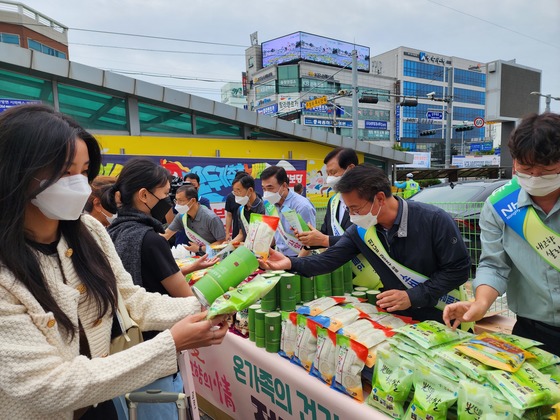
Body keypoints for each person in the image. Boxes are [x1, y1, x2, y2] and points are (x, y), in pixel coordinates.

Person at [0, 104, 228, 420]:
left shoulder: (89, 231)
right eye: (65, 171)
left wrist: (207, 309)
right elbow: (45, 386)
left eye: (83, 171)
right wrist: (170, 343)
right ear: (15, 171)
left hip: (101, 404)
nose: (79, 184)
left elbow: (129, 301)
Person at [261, 164, 470, 323]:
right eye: (348, 209)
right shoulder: (361, 230)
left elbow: (458, 270)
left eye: (355, 208)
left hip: (443, 314)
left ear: (380, 198)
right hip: (397, 317)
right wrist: (290, 263)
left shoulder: (434, 220)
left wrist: (413, 296)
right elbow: (328, 260)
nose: (352, 216)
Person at [444, 113, 560, 355]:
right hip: (533, 331)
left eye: (547, 170)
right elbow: (494, 265)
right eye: (526, 168)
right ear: (514, 162)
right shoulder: (500, 206)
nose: (536, 177)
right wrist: (480, 303)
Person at [260, 165, 316, 257]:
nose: (266, 193)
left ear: (284, 186)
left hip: (300, 257)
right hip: (279, 255)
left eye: (270, 188)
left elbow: (310, 243)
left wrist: (295, 264)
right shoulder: (269, 204)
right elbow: (273, 234)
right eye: (264, 189)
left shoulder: (302, 206)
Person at [163, 185, 226, 256]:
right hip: (200, 257)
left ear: (192, 200)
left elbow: (222, 242)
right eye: (176, 201)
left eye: (180, 201)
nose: (177, 204)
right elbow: (166, 234)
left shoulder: (210, 218)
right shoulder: (181, 215)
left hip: (217, 257)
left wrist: (200, 248)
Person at [231, 173, 265, 243]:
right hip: (248, 250)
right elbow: (241, 234)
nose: (236, 195)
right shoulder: (241, 210)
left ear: (250, 190)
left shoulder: (263, 208)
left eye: (238, 191)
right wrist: (229, 244)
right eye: (234, 192)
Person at [225, 171, 249, 241]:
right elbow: (229, 215)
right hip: (237, 232)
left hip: (252, 233)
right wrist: (227, 233)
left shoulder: (254, 197)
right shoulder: (230, 197)